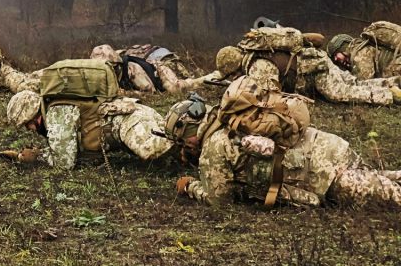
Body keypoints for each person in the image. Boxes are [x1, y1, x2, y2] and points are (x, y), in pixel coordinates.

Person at [164, 92, 401, 208]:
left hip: (325, 176)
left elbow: (220, 201)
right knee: (383, 179)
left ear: (189, 133)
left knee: (392, 197)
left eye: (183, 142)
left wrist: (190, 186)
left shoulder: (213, 146)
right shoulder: (230, 118)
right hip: (331, 147)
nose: (186, 148)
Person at [211, 32, 401, 106]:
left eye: (232, 74)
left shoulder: (257, 67)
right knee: (354, 81)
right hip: (316, 60)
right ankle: (393, 82)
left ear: (233, 67)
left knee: (341, 93)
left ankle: (389, 96)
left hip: (315, 69)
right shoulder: (255, 53)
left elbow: (271, 97)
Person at [5, 89, 172, 170]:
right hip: (133, 114)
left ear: (34, 115)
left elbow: (64, 162)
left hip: (129, 120)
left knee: (157, 150)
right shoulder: (56, 108)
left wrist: (35, 157)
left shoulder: (56, 113)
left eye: (27, 124)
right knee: (167, 146)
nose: (29, 129)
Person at [89, 44, 217, 94]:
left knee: (176, 88)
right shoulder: (100, 69)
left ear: (115, 65)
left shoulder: (132, 70)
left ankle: (210, 78)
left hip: (158, 70)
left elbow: (151, 93)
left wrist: (125, 93)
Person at [327, 25, 401, 81]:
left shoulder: (359, 54)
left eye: (335, 54)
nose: (336, 59)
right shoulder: (359, 50)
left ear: (342, 47)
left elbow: (366, 83)